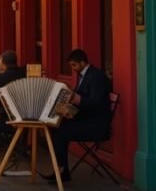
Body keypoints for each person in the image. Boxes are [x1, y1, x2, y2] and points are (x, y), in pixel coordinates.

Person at [48, 49, 112, 183]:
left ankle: (62, 173)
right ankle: (60, 170)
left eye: (74, 65)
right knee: (54, 125)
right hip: (86, 118)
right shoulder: (84, 75)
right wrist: (65, 111)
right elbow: (81, 102)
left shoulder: (96, 76)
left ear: (83, 62)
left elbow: (95, 103)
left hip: (95, 124)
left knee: (60, 132)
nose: (73, 68)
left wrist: (77, 99)